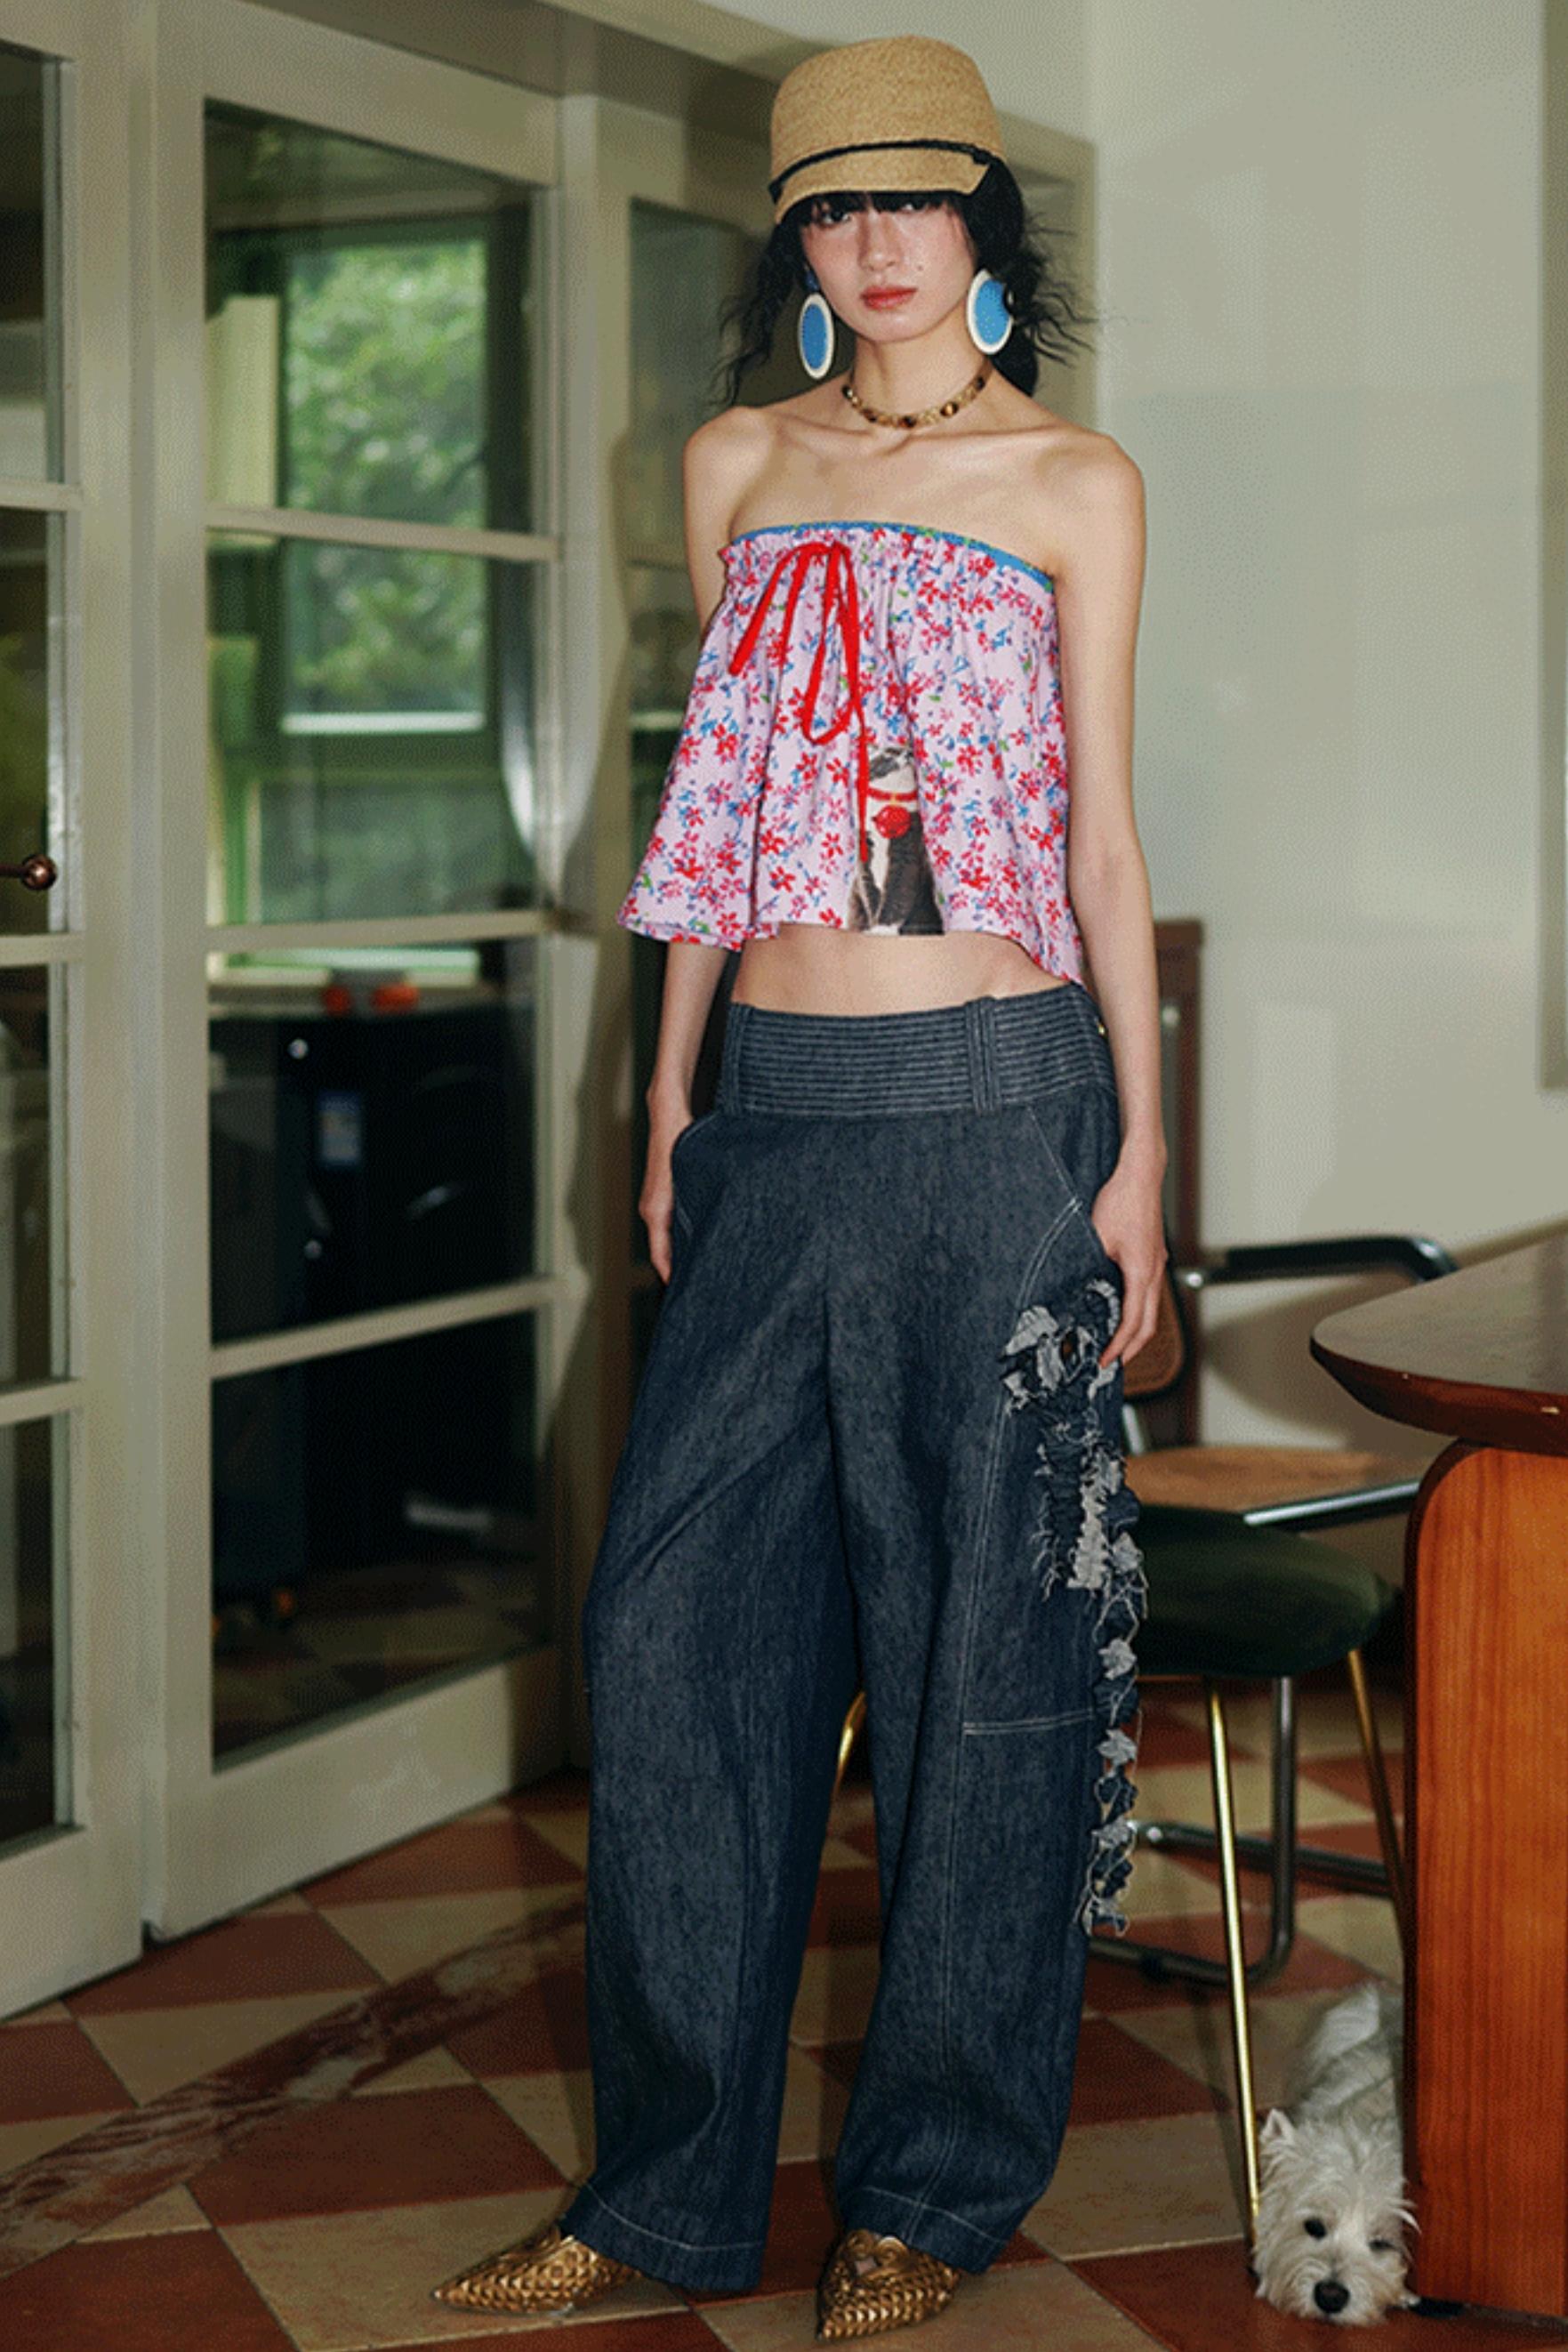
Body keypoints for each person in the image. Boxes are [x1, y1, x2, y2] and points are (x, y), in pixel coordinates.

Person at [434, 31, 1167, 2343]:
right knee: (671, 1643)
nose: (874, 243)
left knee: (984, 1658)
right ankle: (662, 2194)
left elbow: (1101, 839)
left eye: (914, 199)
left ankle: (927, 2191)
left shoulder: (1072, 480)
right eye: (832, 207)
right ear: (795, 240)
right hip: (768, 1108)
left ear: (982, 223)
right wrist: (670, 1098)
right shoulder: (737, 461)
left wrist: (1142, 1154)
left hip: (994, 1101)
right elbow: (725, 807)